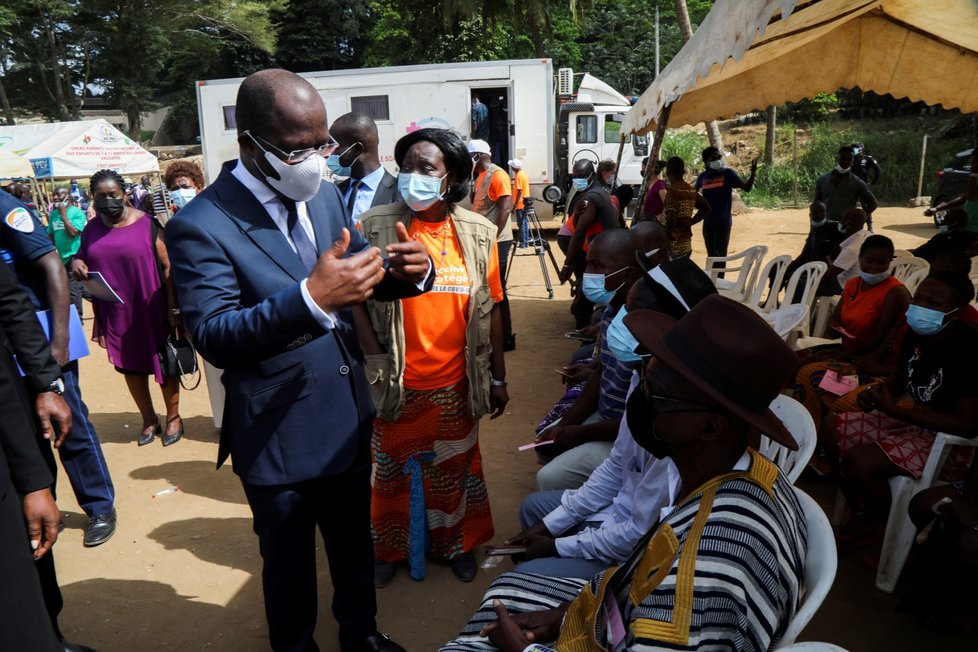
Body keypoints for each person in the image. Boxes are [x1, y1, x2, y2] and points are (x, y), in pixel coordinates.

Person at [165, 68, 431, 652]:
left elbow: (356, 270)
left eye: (322, 143)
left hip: (344, 411)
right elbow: (214, 333)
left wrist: (406, 272)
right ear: (250, 143)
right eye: (297, 147)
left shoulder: (324, 193)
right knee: (287, 564)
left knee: (352, 546)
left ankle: (360, 635)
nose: (315, 159)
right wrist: (311, 300)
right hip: (277, 431)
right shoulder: (199, 224)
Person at [441, 295, 807, 652]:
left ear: (710, 427)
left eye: (657, 395)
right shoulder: (743, 472)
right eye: (645, 382)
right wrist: (566, 615)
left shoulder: (707, 568)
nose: (639, 402)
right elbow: (641, 571)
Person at [357, 128, 508, 587]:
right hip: (397, 382)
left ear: (453, 177)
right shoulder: (375, 225)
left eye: (427, 169)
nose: (413, 178)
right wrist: (375, 359)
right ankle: (387, 549)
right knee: (388, 473)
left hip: (458, 383)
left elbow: (493, 306)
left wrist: (498, 378)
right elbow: (357, 304)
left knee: (456, 468)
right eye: (406, 168)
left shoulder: (480, 234)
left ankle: (456, 543)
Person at [506, 258, 717, 580]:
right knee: (535, 510)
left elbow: (636, 533)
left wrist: (558, 546)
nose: (620, 321)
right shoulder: (645, 374)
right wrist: (551, 526)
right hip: (620, 515)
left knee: (528, 571)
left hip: (637, 549)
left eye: (633, 313)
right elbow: (618, 464)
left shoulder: (681, 418)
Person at [0, 183, 117, 548]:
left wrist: (60, 341)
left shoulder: (4, 206)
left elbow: (52, 265)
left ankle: (99, 505)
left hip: (40, 332)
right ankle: (42, 502)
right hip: (8, 340)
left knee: (70, 422)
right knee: (27, 427)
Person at [833, 272, 978, 541]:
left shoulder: (969, 351)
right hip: (917, 421)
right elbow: (902, 378)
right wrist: (878, 392)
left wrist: (894, 410)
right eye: (919, 297)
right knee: (834, 427)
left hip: (951, 445)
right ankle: (865, 514)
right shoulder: (917, 335)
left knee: (860, 462)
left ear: (956, 313)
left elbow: (967, 425)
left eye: (933, 303)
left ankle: (894, 531)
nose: (921, 306)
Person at [0, 257, 89, 652]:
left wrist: (46, 381)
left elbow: (12, 304)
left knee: (29, 533)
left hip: (10, 425)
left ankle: (49, 631)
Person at [536, 228, 668, 491]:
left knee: (548, 478)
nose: (590, 275)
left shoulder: (649, 328)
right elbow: (603, 373)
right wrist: (566, 425)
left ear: (629, 273)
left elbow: (644, 421)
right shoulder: (613, 308)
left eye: (598, 266)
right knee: (545, 441)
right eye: (588, 265)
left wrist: (580, 433)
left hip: (628, 435)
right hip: (607, 419)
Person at [71, 169, 185, 448]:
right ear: (92, 198)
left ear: (124, 194)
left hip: (151, 305)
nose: (108, 200)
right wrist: (76, 261)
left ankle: (173, 417)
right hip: (115, 309)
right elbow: (83, 255)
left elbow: (168, 265)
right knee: (129, 366)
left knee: (163, 362)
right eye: (101, 196)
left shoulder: (148, 224)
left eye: (113, 194)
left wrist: (173, 309)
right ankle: (148, 419)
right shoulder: (92, 228)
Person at [794, 235, 911, 443]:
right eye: (869, 261)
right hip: (849, 349)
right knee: (794, 360)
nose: (875, 267)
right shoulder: (853, 284)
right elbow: (836, 318)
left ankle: (815, 438)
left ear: (890, 261)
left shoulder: (894, 292)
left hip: (869, 358)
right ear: (860, 259)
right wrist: (835, 331)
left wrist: (849, 356)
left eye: (882, 262)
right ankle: (804, 430)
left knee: (810, 373)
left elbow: (879, 340)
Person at [469, 139, 516, 350]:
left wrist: (493, 237)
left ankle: (506, 337)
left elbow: (506, 208)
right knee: (487, 289)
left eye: (470, 158)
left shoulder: (498, 175)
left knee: (498, 291)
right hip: (484, 241)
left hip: (497, 241)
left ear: (477, 156)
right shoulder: (480, 176)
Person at [329, 112, 400, 224]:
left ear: (357, 149)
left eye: (334, 147)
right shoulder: (333, 193)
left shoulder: (400, 193)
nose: (329, 153)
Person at [695, 145, 757, 262]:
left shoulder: (728, 174)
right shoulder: (702, 177)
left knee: (720, 258)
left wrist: (753, 173)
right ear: (705, 161)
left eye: (719, 157)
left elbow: (747, 188)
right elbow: (692, 194)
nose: (717, 160)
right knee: (711, 257)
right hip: (708, 223)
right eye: (713, 158)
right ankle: (712, 280)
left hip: (722, 223)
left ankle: (718, 280)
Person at [783, 201, 845, 294]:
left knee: (794, 280)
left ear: (826, 212)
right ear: (810, 214)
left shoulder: (835, 228)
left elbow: (847, 236)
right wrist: (788, 267)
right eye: (815, 212)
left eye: (822, 212)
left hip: (821, 267)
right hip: (809, 263)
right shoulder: (814, 229)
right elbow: (805, 253)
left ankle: (794, 305)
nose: (819, 215)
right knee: (778, 270)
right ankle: (771, 299)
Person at [46, 187, 88, 317]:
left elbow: (73, 233)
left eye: (59, 195)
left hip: (75, 255)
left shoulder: (77, 213)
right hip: (62, 256)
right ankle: (102, 298)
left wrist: (64, 214)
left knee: (73, 288)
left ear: (68, 196)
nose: (55, 198)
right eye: (54, 195)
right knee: (80, 286)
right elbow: (51, 235)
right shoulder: (53, 214)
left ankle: (77, 318)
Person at [814, 146, 879, 229]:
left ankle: (870, 225)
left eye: (849, 160)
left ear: (852, 162)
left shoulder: (857, 183)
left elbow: (873, 204)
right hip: (825, 225)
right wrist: (813, 229)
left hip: (845, 228)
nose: (845, 162)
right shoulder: (823, 180)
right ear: (838, 159)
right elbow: (816, 205)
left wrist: (857, 218)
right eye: (842, 159)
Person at [662, 156, 710, 259]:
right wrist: (689, 222)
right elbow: (706, 208)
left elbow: (671, 218)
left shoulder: (673, 192)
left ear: (667, 172)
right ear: (683, 172)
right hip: (686, 245)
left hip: (674, 245)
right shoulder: (690, 190)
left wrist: (666, 239)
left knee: (670, 274)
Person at [816, 207, 870, 296]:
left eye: (842, 219)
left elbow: (827, 276)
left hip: (844, 286)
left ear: (849, 223)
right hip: (860, 281)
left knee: (797, 284)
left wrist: (809, 280)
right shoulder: (867, 234)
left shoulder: (851, 249)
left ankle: (800, 309)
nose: (840, 222)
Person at [924, 148, 978, 232]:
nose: (973, 165)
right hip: (968, 226)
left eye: (975, 162)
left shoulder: (974, 177)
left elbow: (971, 196)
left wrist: (973, 174)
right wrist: (938, 208)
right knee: (942, 235)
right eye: (973, 162)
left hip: (974, 230)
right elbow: (965, 198)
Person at [912, 207, 978, 262]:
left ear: (957, 224)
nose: (943, 222)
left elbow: (919, 252)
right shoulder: (969, 238)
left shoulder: (942, 239)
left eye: (947, 219)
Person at [509, 158, 531, 248]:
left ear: (514, 168)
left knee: (521, 224)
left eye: (511, 166)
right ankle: (526, 242)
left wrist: (514, 205)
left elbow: (520, 191)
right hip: (525, 203)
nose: (511, 168)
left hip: (520, 204)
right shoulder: (523, 174)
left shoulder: (518, 176)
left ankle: (523, 244)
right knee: (525, 223)